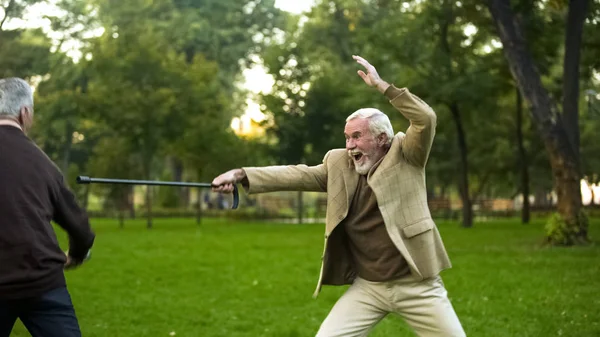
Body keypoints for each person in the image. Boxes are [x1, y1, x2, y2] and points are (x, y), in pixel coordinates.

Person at [212, 55, 465, 337]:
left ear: (382, 139)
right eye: (347, 138)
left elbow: (425, 118)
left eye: (357, 137)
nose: (349, 145)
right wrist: (240, 174)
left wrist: (383, 86)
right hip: (369, 287)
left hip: (416, 283)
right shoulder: (338, 163)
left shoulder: (408, 155)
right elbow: (296, 174)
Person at [0, 77, 95, 337]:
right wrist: (77, 254)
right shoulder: (41, 163)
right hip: (41, 283)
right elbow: (79, 226)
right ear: (24, 113)